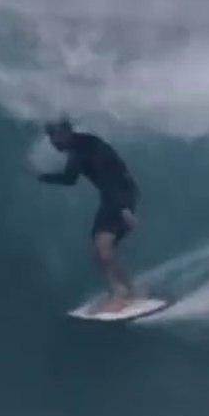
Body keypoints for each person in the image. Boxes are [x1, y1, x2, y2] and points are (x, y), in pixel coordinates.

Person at [36, 116, 142, 314]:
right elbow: (70, 179)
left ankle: (120, 296)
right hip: (113, 197)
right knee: (98, 251)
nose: (51, 141)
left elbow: (112, 177)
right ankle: (132, 290)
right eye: (49, 136)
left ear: (66, 132)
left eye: (54, 136)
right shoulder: (78, 148)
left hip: (120, 195)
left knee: (103, 248)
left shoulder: (89, 148)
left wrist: (124, 208)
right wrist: (41, 176)